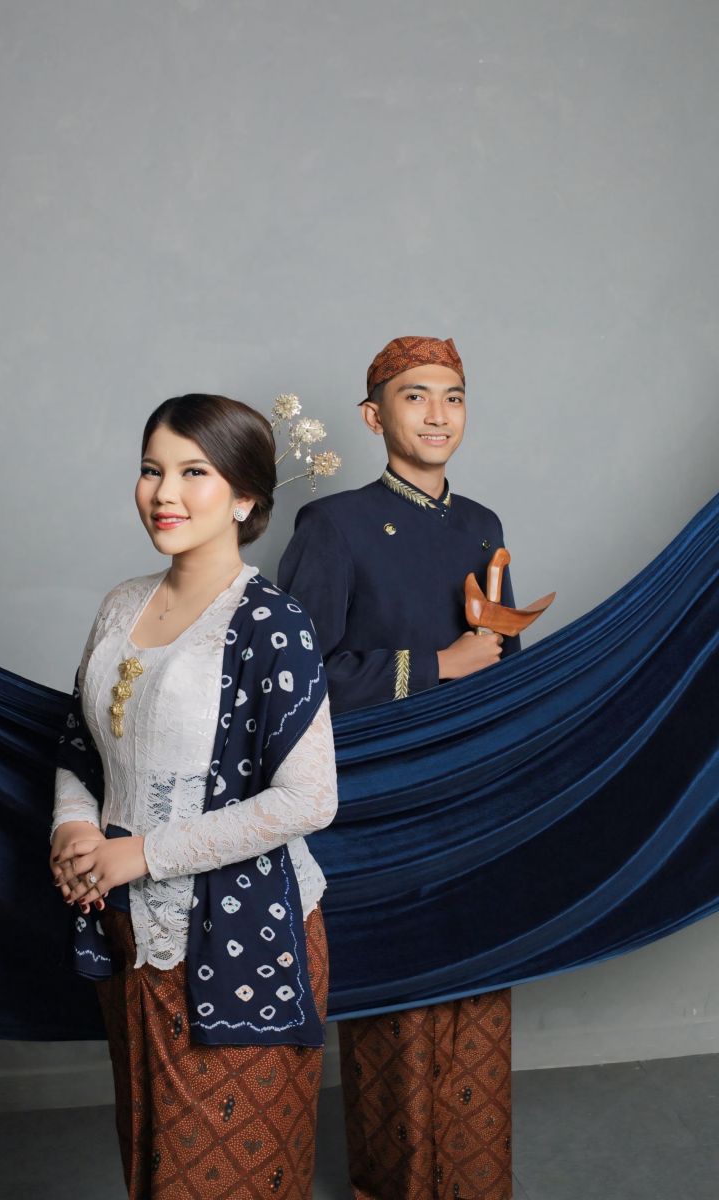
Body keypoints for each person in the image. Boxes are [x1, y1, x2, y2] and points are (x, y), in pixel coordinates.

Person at [50, 393, 338, 1200]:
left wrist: (136, 854)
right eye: (151, 470)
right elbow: (79, 743)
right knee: (152, 1157)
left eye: (193, 472)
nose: (164, 493)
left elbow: (309, 800)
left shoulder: (271, 623)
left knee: (226, 1173)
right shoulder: (121, 604)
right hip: (129, 930)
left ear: (245, 498)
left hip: (240, 934)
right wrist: (73, 833)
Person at [278, 335, 517, 1200]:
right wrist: (436, 664)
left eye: (453, 395)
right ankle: (399, 1183)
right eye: (415, 396)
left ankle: (476, 1180)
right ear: (374, 417)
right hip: (380, 798)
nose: (438, 414)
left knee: (481, 983)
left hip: (470, 789)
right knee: (401, 995)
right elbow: (293, 678)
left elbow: (503, 660)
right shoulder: (333, 525)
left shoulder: (483, 525)